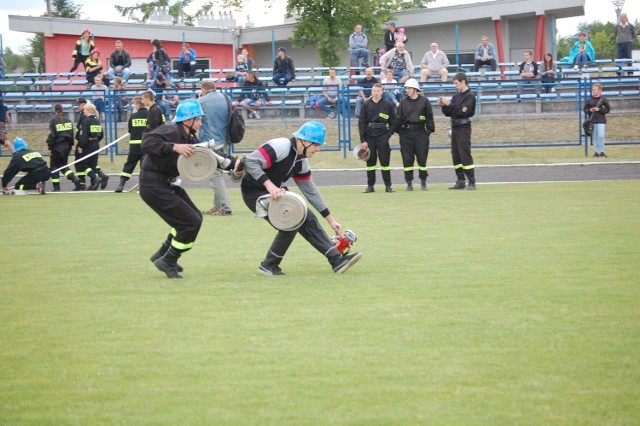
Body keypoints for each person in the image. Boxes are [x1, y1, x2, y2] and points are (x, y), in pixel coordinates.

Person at [240, 121, 363, 276]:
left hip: (273, 193)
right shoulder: (281, 146)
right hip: (253, 192)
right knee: (292, 219)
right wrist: (270, 186)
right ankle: (269, 265)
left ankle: (337, 260)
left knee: (306, 215)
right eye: (315, 145)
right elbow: (250, 161)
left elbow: (311, 191)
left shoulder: (301, 162)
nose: (317, 149)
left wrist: (331, 220)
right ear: (303, 141)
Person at [140, 99, 239, 279]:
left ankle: (163, 254)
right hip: (152, 185)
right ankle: (169, 259)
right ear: (187, 120)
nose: (201, 123)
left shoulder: (189, 138)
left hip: (165, 184)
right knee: (190, 222)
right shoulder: (170, 130)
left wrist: (235, 163)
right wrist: (173, 147)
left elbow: (211, 155)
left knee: (194, 218)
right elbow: (146, 142)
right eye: (198, 119)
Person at [388, 78, 434, 191]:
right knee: (407, 159)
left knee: (422, 159)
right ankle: (409, 183)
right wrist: (399, 132)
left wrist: (427, 132)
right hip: (406, 135)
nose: (407, 90)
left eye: (409, 88)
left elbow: (429, 118)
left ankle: (423, 181)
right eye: (406, 88)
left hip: (420, 134)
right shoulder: (403, 102)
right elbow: (398, 119)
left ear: (415, 89)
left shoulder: (425, 101)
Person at [198, 80, 233, 216]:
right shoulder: (226, 98)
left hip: (210, 140)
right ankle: (217, 206)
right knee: (218, 173)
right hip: (225, 139)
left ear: (204, 89)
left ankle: (225, 207)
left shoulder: (201, 101)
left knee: (215, 175)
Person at [439, 72, 477, 190]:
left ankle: (471, 181)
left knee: (464, 154)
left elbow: (463, 111)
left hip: (463, 128)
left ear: (463, 82)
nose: (455, 85)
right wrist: (444, 106)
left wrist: (450, 104)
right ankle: (460, 180)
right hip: (454, 127)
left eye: (456, 83)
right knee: (456, 155)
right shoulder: (456, 96)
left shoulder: (470, 96)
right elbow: (450, 113)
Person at [358, 83, 396, 193]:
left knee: (385, 161)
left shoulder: (388, 105)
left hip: (383, 135)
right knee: (370, 162)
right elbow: (362, 123)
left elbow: (393, 122)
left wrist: (387, 135)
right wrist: (363, 140)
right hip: (369, 136)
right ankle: (370, 186)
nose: (376, 93)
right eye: (374, 91)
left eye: (378, 91)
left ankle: (388, 186)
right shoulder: (366, 105)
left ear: (382, 92)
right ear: (371, 92)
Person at [115, 96, 148, 192]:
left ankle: (121, 184)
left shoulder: (133, 116)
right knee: (145, 166)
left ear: (138, 105)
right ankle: (143, 186)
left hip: (134, 146)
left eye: (135, 105)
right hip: (147, 146)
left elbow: (130, 130)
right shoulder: (150, 115)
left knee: (129, 164)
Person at [46, 104, 81, 191]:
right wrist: (70, 146)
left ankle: (56, 187)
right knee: (64, 165)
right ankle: (74, 179)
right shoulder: (68, 121)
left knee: (54, 166)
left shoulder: (53, 121)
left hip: (56, 146)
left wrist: (50, 148)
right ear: (62, 110)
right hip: (66, 146)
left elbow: (53, 136)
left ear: (55, 110)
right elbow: (72, 135)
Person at [77, 103, 108, 190]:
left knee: (83, 164)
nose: (84, 112)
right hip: (96, 144)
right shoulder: (97, 121)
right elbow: (101, 134)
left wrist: (81, 146)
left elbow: (84, 135)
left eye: (85, 110)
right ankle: (95, 183)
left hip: (88, 145)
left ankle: (95, 177)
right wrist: (96, 140)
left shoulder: (86, 121)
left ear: (89, 110)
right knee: (93, 165)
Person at [584, 83, 611, 158]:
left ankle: (601, 151)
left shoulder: (603, 99)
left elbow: (608, 109)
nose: (593, 91)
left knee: (601, 136)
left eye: (595, 89)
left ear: (599, 90)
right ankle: (597, 152)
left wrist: (599, 109)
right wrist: (590, 110)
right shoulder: (589, 99)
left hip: (601, 120)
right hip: (592, 121)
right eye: (593, 89)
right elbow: (585, 109)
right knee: (594, 137)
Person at [73, 98, 89, 190]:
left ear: (83, 105)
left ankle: (82, 184)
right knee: (81, 162)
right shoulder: (83, 115)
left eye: (78, 105)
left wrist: (80, 145)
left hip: (82, 142)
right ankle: (83, 182)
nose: (77, 106)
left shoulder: (84, 116)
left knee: (79, 163)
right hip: (83, 141)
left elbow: (82, 132)